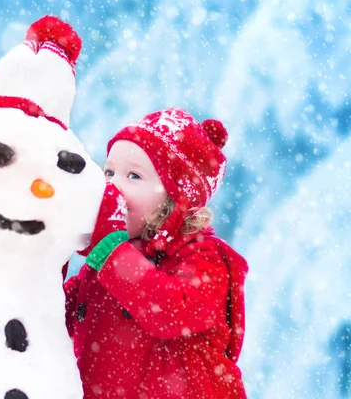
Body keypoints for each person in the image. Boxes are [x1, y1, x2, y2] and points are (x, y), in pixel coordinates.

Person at [62, 108, 248, 398]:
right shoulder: (103, 266)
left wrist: (111, 251)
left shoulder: (203, 257)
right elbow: (51, 312)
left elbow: (169, 311)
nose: (112, 184)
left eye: (133, 175)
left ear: (176, 197)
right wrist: (52, 244)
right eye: (108, 172)